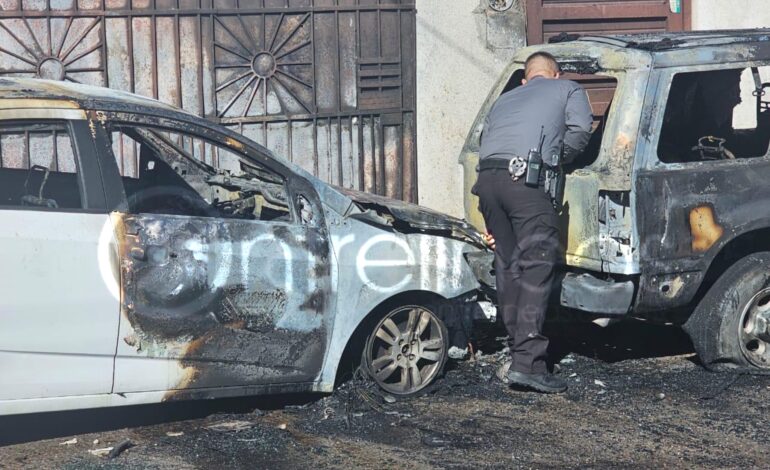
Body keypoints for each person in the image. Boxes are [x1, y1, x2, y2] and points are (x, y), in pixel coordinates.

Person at [472, 51, 593, 393]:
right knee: (537, 267)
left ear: (526, 80)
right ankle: (529, 365)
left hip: (488, 183)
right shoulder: (567, 89)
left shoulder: (504, 98)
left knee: (509, 267)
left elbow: (486, 142)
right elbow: (581, 130)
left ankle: (517, 352)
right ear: (555, 75)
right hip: (526, 182)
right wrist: (557, 160)